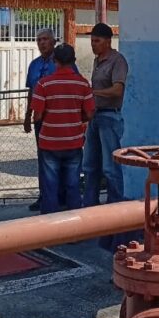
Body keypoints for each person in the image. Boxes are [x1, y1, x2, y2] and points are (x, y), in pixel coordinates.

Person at [31, 43, 95, 214]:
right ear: (73, 60)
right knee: (73, 186)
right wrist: (75, 118)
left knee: (50, 187)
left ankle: (50, 231)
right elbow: (89, 113)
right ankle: (73, 230)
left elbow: (37, 115)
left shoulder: (43, 84)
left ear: (54, 60)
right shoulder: (83, 84)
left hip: (49, 143)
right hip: (74, 142)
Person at [23, 28, 78, 211]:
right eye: (39, 40)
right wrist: (27, 116)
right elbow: (31, 91)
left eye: (45, 39)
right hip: (42, 120)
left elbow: (75, 88)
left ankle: (62, 198)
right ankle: (44, 196)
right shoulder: (34, 65)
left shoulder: (64, 62)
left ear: (54, 42)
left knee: (65, 160)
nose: (42, 43)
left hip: (63, 118)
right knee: (44, 160)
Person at [82, 22, 128, 207]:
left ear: (108, 41)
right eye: (92, 41)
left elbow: (118, 91)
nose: (93, 44)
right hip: (95, 116)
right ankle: (90, 206)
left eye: (97, 41)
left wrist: (93, 93)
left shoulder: (118, 61)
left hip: (110, 117)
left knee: (110, 168)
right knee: (90, 165)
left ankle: (115, 206)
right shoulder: (97, 60)